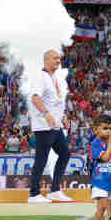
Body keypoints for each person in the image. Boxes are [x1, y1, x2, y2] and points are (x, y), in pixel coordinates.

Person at [27, 49, 72, 204]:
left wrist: (63, 117)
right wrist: (46, 114)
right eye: (55, 58)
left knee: (65, 154)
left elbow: (55, 101)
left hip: (55, 125)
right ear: (46, 60)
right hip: (44, 125)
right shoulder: (41, 77)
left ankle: (55, 190)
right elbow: (35, 97)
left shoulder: (55, 78)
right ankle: (34, 194)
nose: (58, 61)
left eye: (59, 59)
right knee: (42, 158)